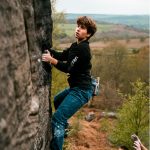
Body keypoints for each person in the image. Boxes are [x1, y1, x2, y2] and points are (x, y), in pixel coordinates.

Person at [42, 16, 97, 150]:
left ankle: (58, 139)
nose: (78, 29)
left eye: (82, 28)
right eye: (77, 26)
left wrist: (51, 60)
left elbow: (68, 68)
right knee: (57, 100)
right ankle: (64, 129)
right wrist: (49, 51)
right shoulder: (75, 45)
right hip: (76, 88)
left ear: (88, 34)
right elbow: (62, 55)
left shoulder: (83, 49)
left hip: (82, 91)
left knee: (57, 120)